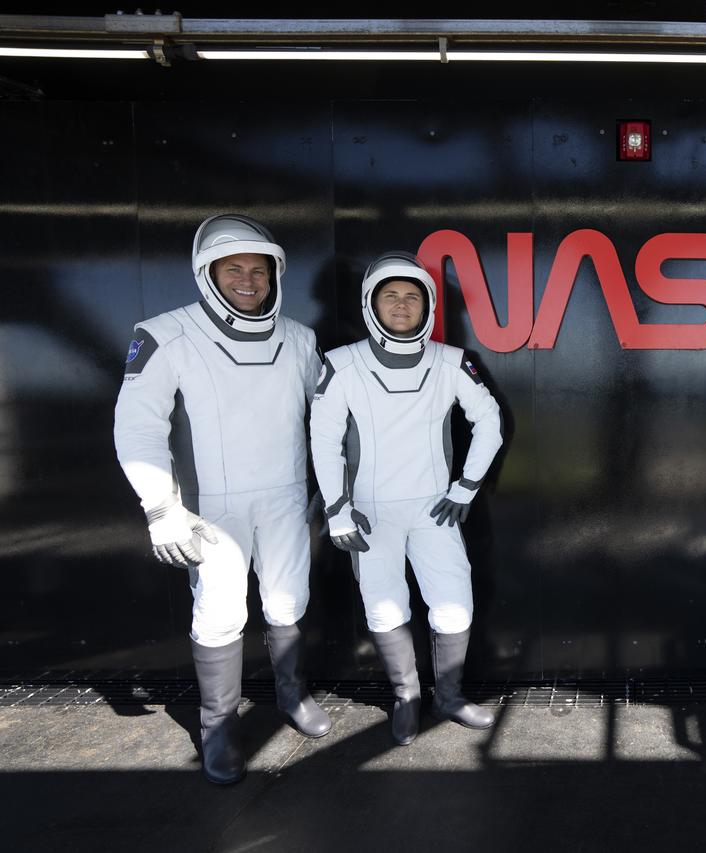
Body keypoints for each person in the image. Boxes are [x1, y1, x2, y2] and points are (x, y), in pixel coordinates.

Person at [113, 214, 332, 785]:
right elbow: (137, 428)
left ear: (274, 276)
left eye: (259, 270)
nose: (248, 280)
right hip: (212, 506)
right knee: (219, 612)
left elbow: (328, 416)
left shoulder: (300, 338)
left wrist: (332, 489)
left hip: (286, 496)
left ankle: (292, 694)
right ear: (206, 272)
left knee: (288, 600)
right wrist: (161, 508)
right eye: (234, 268)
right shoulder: (165, 335)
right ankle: (218, 726)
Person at [310, 250, 502, 745]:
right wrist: (337, 510)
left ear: (428, 305)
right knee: (384, 607)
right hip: (369, 513)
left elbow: (490, 422)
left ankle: (449, 696)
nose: (401, 304)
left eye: (412, 296)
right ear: (370, 304)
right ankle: (407, 697)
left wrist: (466, 486)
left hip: (434, 508)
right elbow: (324, 441)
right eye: (390, 295)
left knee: (455, 606)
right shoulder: (342, 364)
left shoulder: (451, 361)